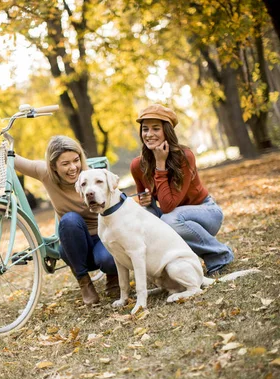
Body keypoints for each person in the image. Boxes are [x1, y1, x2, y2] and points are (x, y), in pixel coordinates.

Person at [130, 104, 234, 276]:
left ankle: (220, 255)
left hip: (205, 213)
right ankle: (166, 267)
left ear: (167, 131)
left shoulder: (184, 157)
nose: (149, 134)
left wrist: (161, 165)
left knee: (170, 219)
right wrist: (144, 200)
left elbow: (168, 206)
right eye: (145, 129)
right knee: (148, 216)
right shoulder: (137, 165)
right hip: (176, 218)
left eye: (156, 128)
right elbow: (144, 198)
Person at [15, 135, 119, 305]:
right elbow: (15, 160)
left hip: (104, 239)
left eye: (76, 160)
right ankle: (84, 282)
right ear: (53, 166)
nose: (73, 168)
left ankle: (113, 277)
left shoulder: (93, 177)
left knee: (107, 259)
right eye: (65, 164)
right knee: (69, 220)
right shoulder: (46, 175)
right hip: (75, 247)